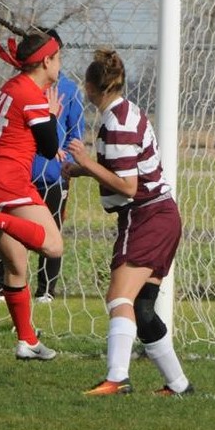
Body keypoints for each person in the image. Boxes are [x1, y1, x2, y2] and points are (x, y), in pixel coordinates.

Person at [62, 48, 193, 396]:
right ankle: (179, 385)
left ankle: (117, 377)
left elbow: (129, 186)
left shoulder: (115, 123)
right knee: (143, 307)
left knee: (118, 297)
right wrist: (79, 169)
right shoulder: (123, 112)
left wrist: (85, 162)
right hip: (163, 215)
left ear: (91, 87)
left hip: (146, 216)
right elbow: (124, 172)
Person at [0, 25, 64, 361]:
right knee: (52, 245)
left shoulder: (12, 86)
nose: (60, 65)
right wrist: (51, 115)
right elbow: (49, 148)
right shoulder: (32, 94)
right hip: (6, 179)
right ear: (46, 61)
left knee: (17, 264)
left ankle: (27, 341)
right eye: (58, 58)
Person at [0, 27, 85, 303]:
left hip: (53, 176)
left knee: (50, 230)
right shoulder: (23, 88)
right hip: (19, 173)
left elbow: (75, 133)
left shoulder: (67, 90)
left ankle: (46, 290)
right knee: (10, 229)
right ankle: (0, 285)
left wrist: (65, 161)